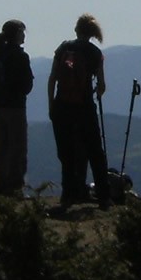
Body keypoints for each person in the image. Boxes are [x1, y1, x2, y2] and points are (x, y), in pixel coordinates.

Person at [49, 14, 111, 209]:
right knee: (95, 151)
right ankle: (103, 196)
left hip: (61, 106)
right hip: (84, 107)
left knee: (66, 153)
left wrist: (51, 105)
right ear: (92, 33)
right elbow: (101, 85)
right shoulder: (95, 53)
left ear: (76, 30)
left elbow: (52, 79)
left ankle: (68, 195)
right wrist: (97, 91)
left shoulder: (63, 49)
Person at [0, 20, 34, 198]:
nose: (24, 35)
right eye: (22, 32)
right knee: (18, 148)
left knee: (2, 147)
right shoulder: (20, 56)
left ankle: (2, 185)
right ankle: (16, 187)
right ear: (17, 33)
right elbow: (27, 85)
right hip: (16, 107)